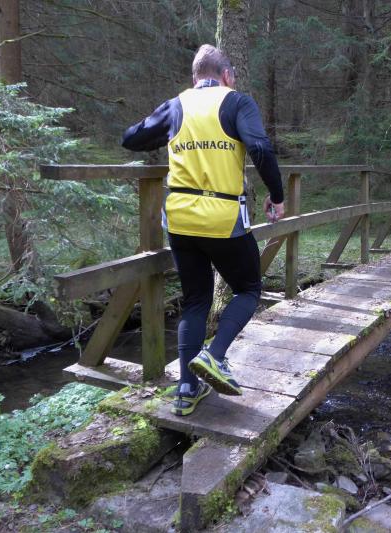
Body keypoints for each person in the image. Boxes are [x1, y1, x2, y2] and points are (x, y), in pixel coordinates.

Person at [121, 44, 285, 416]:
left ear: (195, 77)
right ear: (226, 75)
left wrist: (170, 135)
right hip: (222, 217)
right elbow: (260, 148)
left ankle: (185, 389)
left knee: (196, 301)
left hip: (180, 219)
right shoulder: (237, 102)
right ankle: (215, 355)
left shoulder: (176, 106)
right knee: (248, 289)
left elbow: (132, 138)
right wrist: (277, 196)